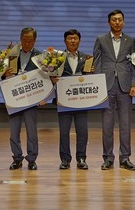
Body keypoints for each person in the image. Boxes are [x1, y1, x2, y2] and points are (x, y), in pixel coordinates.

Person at [93, 9, 135, 170]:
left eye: (120, 19)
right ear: (109, 22)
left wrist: (134, 84)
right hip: (106, 85)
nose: (117, 22)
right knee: (107, 124)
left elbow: (134, 64)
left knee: (125, 124)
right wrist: (98, 85)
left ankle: (125, 158)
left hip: (125, 87)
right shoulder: (101, 39)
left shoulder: (130, 40)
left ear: (123, 22)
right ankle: (108, 158)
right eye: (114, 20)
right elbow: (97, 63)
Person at [4, 27, 43, 170]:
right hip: (14, 98)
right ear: (20, 39)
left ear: (35, 41)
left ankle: (32, 159)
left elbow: (45, 78)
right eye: (24, 40)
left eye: (30, 40)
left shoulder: (41, 56)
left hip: (31, 99)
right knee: (14, 131)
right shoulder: (12, 54)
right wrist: (4, 74)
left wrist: (44, 96)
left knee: (32, 131)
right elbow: (2, 75)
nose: (27, 43)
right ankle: (17, 158)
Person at [56, 29, 90, 170]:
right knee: (64, 131)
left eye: (75, 38)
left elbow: (91, 78)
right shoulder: (57, 58)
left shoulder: (87, 58)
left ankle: (81, 158)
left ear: (79, 41)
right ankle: (65, 159)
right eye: (69, 38)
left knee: (82, 131)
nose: (72, 41)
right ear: (65, 41)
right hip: (64, 100)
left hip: (81, 100)